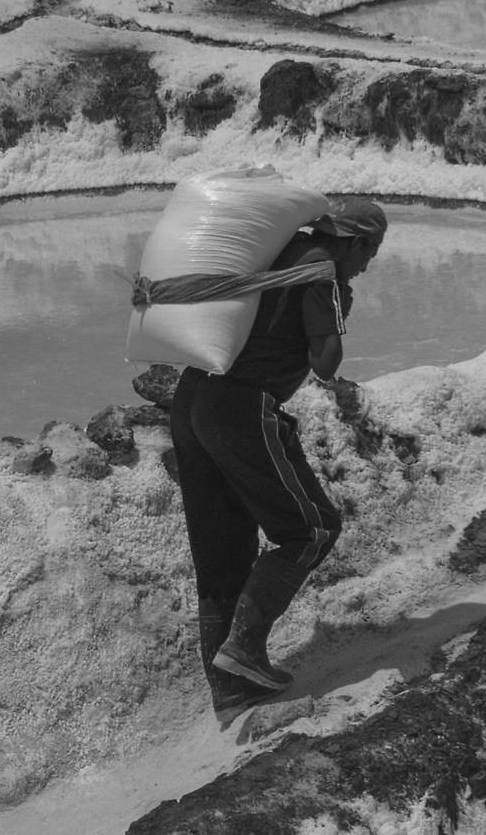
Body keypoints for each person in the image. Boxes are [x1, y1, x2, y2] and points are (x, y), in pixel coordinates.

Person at [167, 197, 386, 717]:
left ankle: (231, 686)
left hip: (192, 399)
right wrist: (340, 305)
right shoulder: (323, 271)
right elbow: (326, 362)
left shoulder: (281, 250)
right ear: (355, 242)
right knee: (311, 529)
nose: (367, 265)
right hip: (240, 407)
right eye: (370, 254)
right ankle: (241, 652)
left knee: (222, 547)